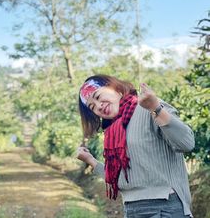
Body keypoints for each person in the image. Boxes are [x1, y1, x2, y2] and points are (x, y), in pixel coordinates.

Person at [76, 74, 195, 218]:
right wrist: (91, 161)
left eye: (98, 96)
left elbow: (187, 143)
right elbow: (120, 180)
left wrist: (155, 108)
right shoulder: (113, 133)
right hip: (132, 209)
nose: (99, 106)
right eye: (92, 107)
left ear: (114, 87)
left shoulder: (147, 107)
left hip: (165, 207)